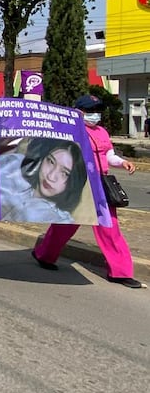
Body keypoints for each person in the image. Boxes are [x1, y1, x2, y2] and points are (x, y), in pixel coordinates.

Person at [32, 94, 146, 288]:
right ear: (79, 112)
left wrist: (122, 162)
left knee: (110, 227)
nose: (96, 115)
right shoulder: (69, 129)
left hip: (100, 185)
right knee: (65, 224)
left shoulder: (101, 131)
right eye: (91, 111)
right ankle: (44, 254)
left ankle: (120, 272)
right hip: (77, 184)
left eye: (98, 111)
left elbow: (108, 155)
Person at [0, 138, 87, 224]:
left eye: (64, 173)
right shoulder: (15, 165)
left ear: (73, 182)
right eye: (51, 161)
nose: (51, 176)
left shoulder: (60, 221)